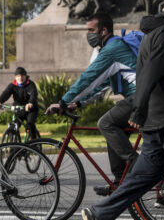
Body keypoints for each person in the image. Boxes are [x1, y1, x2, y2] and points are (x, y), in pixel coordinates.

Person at [81, 0, 164, 220]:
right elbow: (151, 71)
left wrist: (142, 110)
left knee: (145, 176)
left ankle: (99, 213)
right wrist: (138, 109)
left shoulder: (155, 32)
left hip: (156, 118)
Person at [47, 12, 140, 195]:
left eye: (91, 30)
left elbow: (88, 78)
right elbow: (101, 84)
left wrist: (63, 102)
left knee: (105, 123)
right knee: (112, 129)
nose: (87, 34)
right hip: (139, 97)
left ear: (104, 31)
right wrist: (79, 103)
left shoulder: (112, 49)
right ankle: (120, 181)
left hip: (141, 97)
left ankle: (139, 166)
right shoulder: (112, 48)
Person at [0, 67, 40, 140]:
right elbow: (6, 93)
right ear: (15, 77)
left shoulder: (31, 84)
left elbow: (33, 95)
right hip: (19, 109)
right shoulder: (13, 85)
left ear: (25, 76)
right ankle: (14, 148)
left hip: (31, 110)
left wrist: (30, 103)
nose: (20, 78)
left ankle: (34, 143)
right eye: (18, 76)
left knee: (30, 124)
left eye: (22, 76)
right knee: (13, 127)